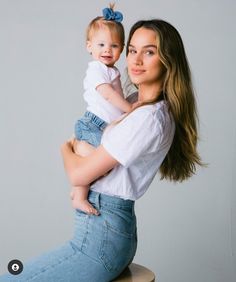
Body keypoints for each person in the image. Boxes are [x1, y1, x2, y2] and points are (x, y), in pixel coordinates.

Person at [0, 18, 202, 282]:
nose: (136, 59)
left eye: (149, 51)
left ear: (168, 59)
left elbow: (78, 175)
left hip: (100, 238)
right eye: (132, 50)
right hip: (105, 231)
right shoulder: (134, 104)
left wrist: (65, 147)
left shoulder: (148, 117)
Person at [71, 5, 134, 215]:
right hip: (93, 124)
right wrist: (129, 109)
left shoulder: (112, 70)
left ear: (122, 49)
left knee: (99, 164)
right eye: (101, 44)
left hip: (104, 126)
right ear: (89, 46)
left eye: (114, 45)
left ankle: (78, 191)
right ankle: (79, 195)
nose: (107, 50)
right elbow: (107, 93)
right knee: (95, 164)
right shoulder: (96, 69)